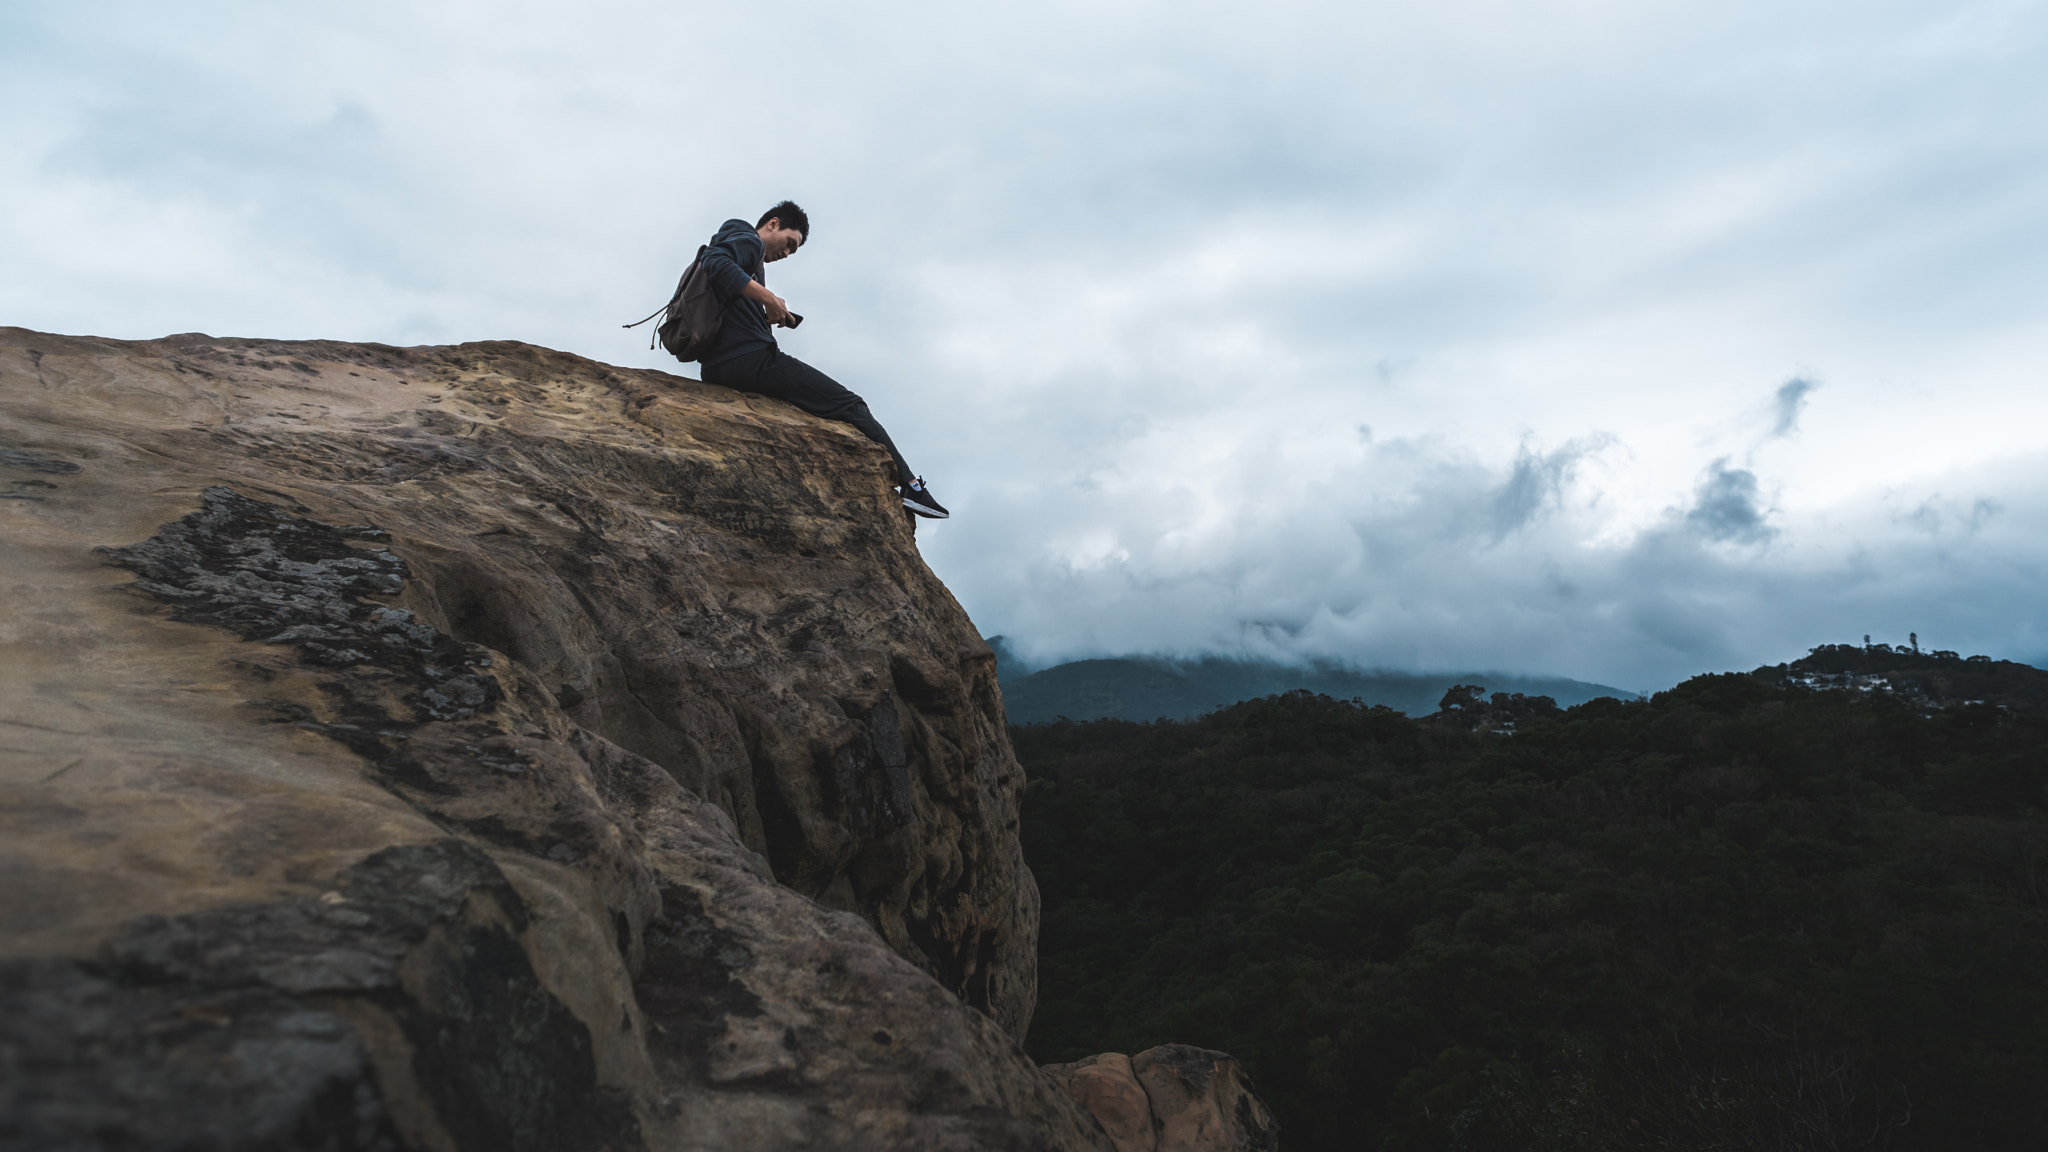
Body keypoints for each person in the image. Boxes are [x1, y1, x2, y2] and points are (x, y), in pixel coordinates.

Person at [694, 201, 948, 520]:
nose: (787, 254)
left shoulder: (744, 252)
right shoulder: (747, 237)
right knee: (851, 405)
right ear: (772, 224)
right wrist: (769, 298)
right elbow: (714, 261)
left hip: (718, 366)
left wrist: (764, 315)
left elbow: (724, 282)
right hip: (753, 361)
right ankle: (911, 486)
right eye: (790, 244)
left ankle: (910, 485)